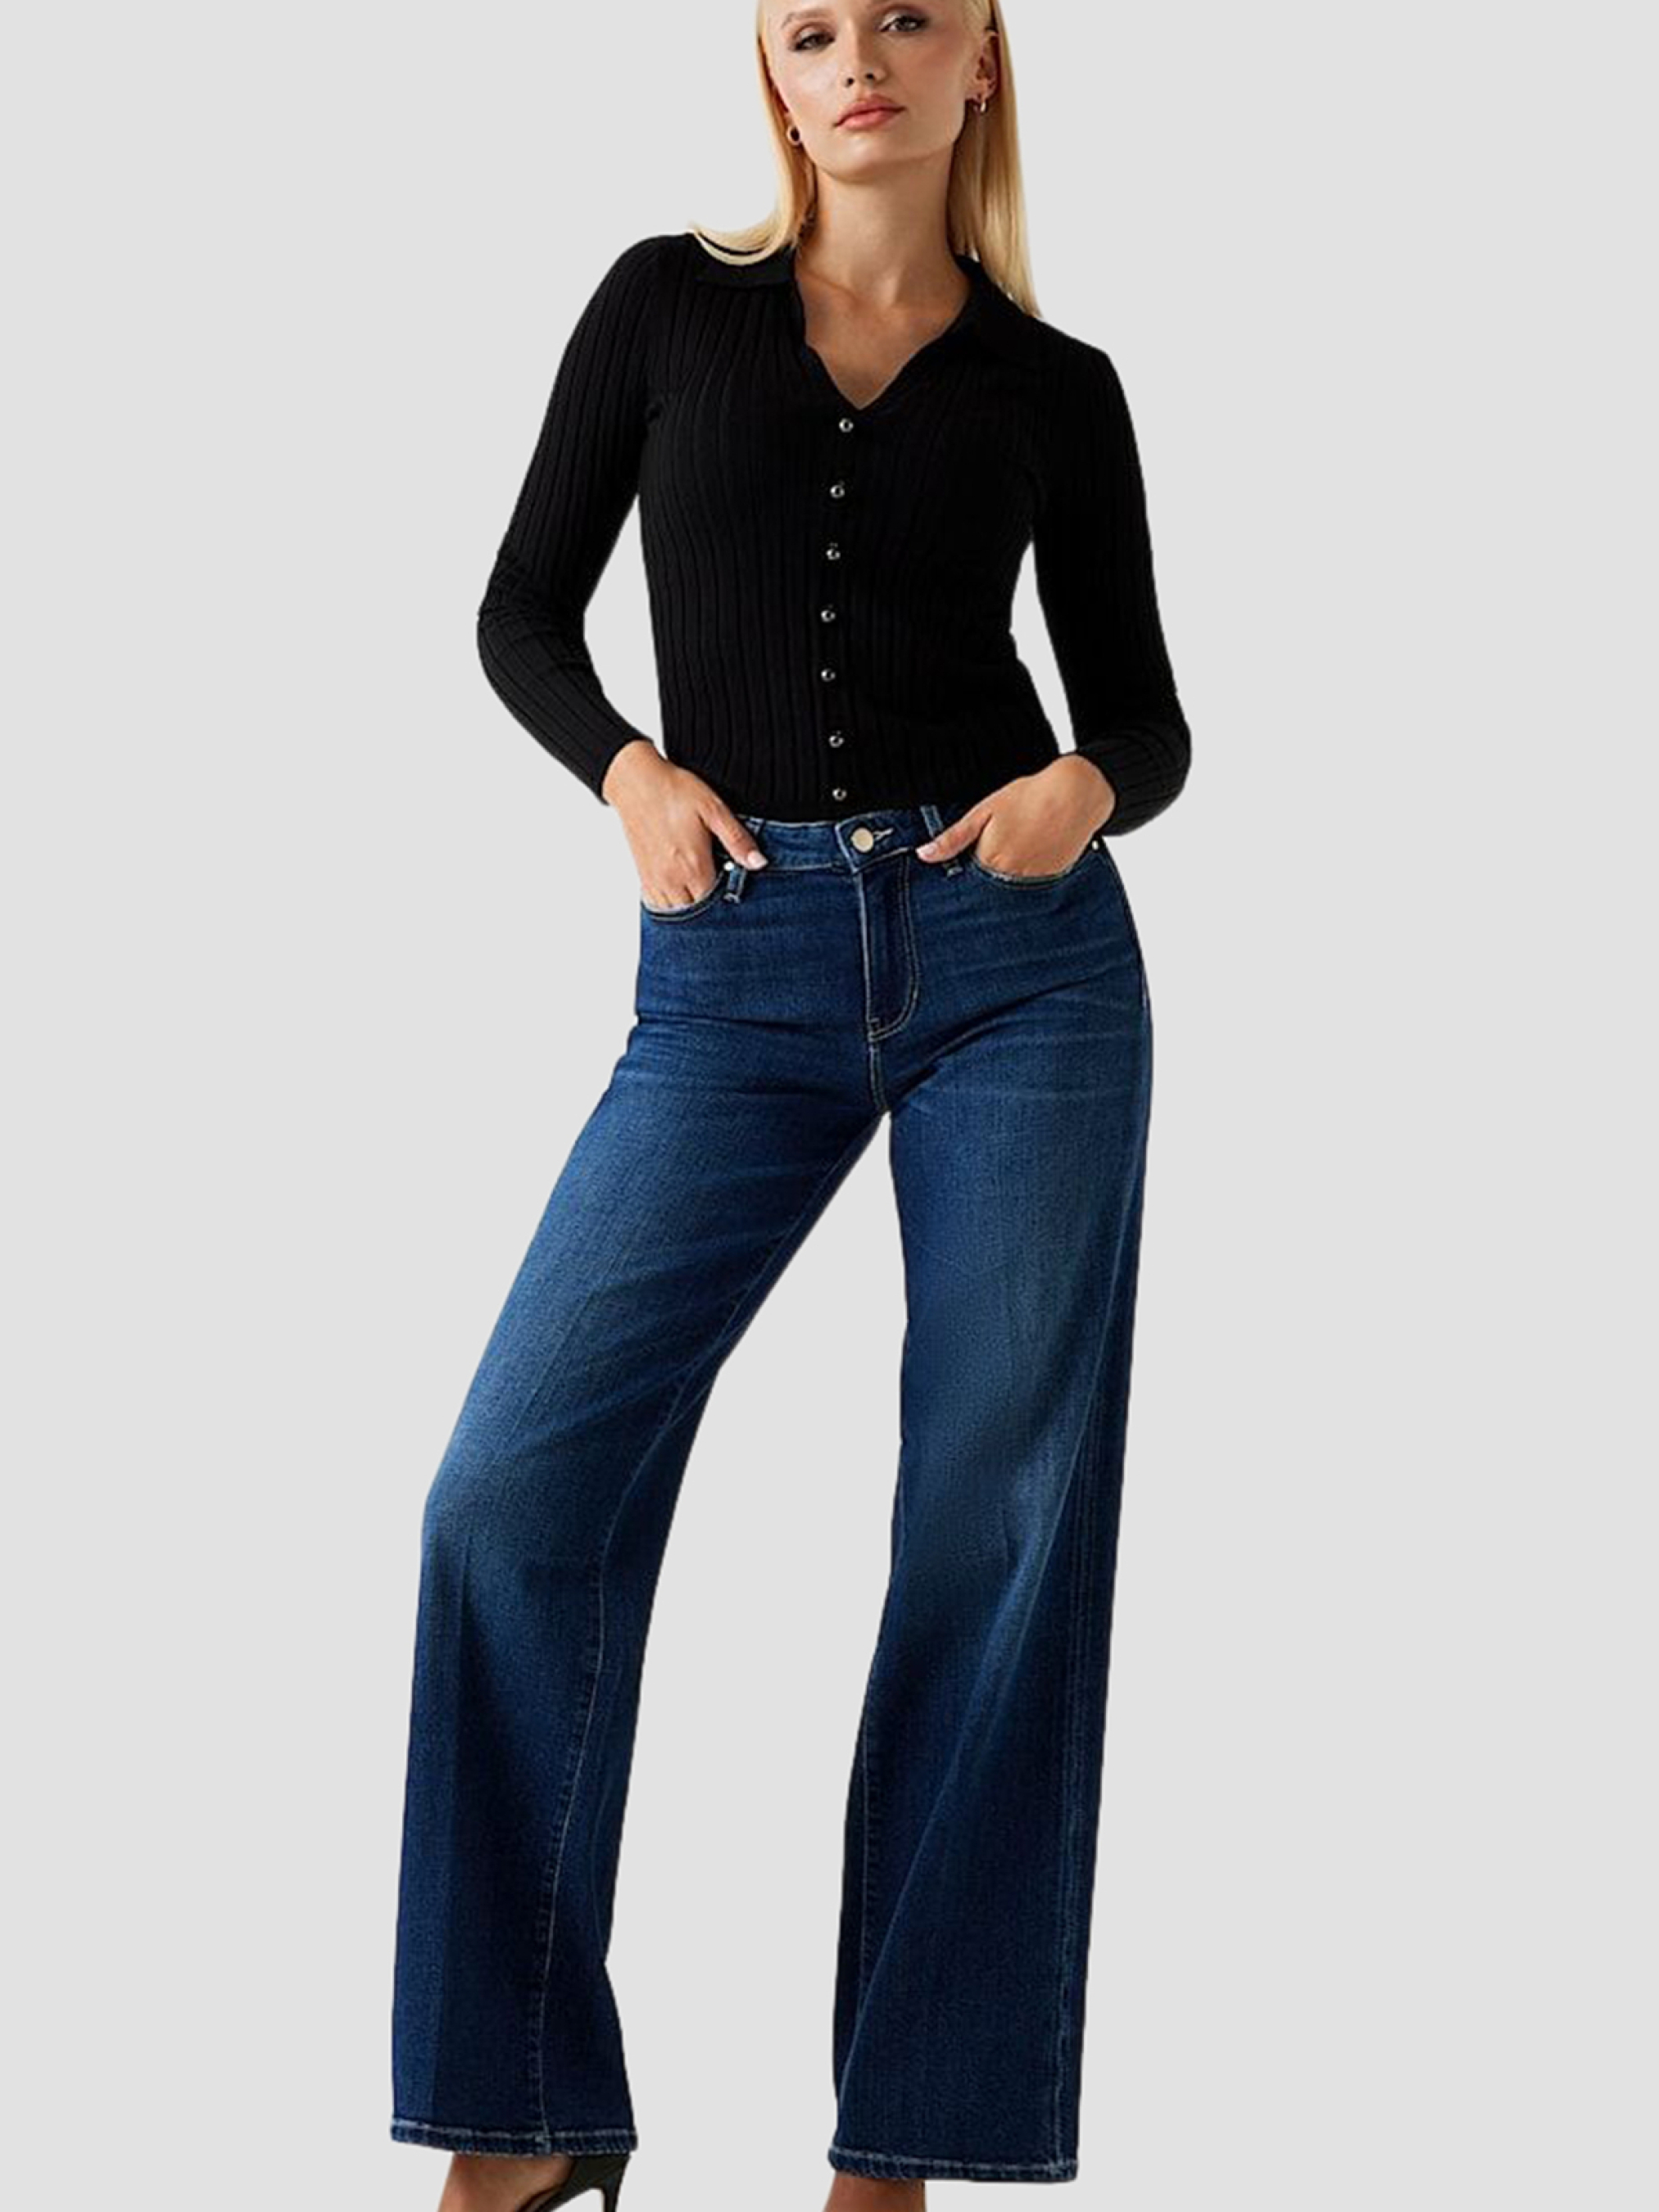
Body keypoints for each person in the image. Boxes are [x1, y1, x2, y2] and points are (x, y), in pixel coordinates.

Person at [390, 3, 1192, 2206]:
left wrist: (1082, 789)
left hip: (1019, 972)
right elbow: (519, 610)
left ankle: (898, 2149)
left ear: (979, 65)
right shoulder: (667, 306)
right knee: (506, 1493)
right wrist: (627, 773)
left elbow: (1145, 716)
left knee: (991, 1529)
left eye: (907, 18)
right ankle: (522, 2119)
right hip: (728, 973)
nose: (861, 58)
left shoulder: (1055, 385)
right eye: (814, 26)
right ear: (773, 69)